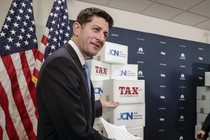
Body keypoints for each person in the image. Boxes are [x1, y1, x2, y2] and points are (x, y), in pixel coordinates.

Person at [36, 7, 119, 140]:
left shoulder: (77, 63)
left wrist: (98, 105)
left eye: (105, 34)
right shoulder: (61, 63)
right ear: (77, 29)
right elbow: (76, 132)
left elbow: (71, 106)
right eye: (96, 29)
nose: (101, 38)